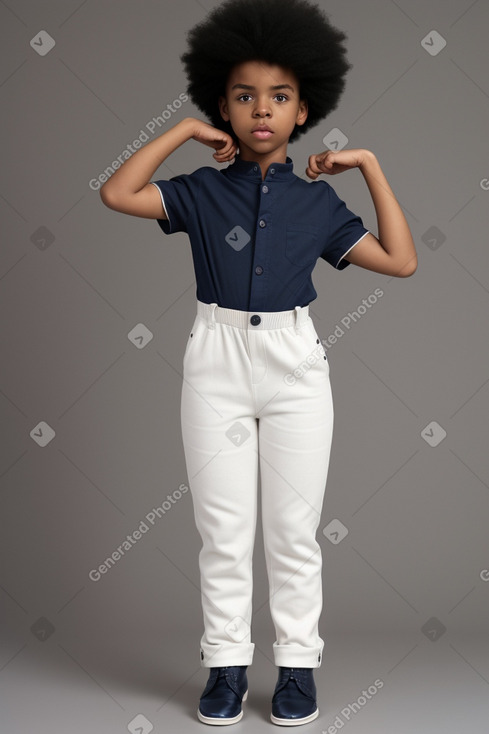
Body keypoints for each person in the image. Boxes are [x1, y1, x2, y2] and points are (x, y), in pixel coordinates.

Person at [99, 0, 417, 726]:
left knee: (292, 531)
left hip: (294, 362)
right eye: (244, 96)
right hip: (213, 358)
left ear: (304, 109)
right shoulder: (200, 190)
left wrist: (366, 164)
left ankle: (297, 670)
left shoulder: (318, 204)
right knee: (222, 530)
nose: (261, 110)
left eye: (278, 97)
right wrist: (180, 132)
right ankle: (225, 668)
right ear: (223, 106)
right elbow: (116, 193)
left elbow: (399, 260)